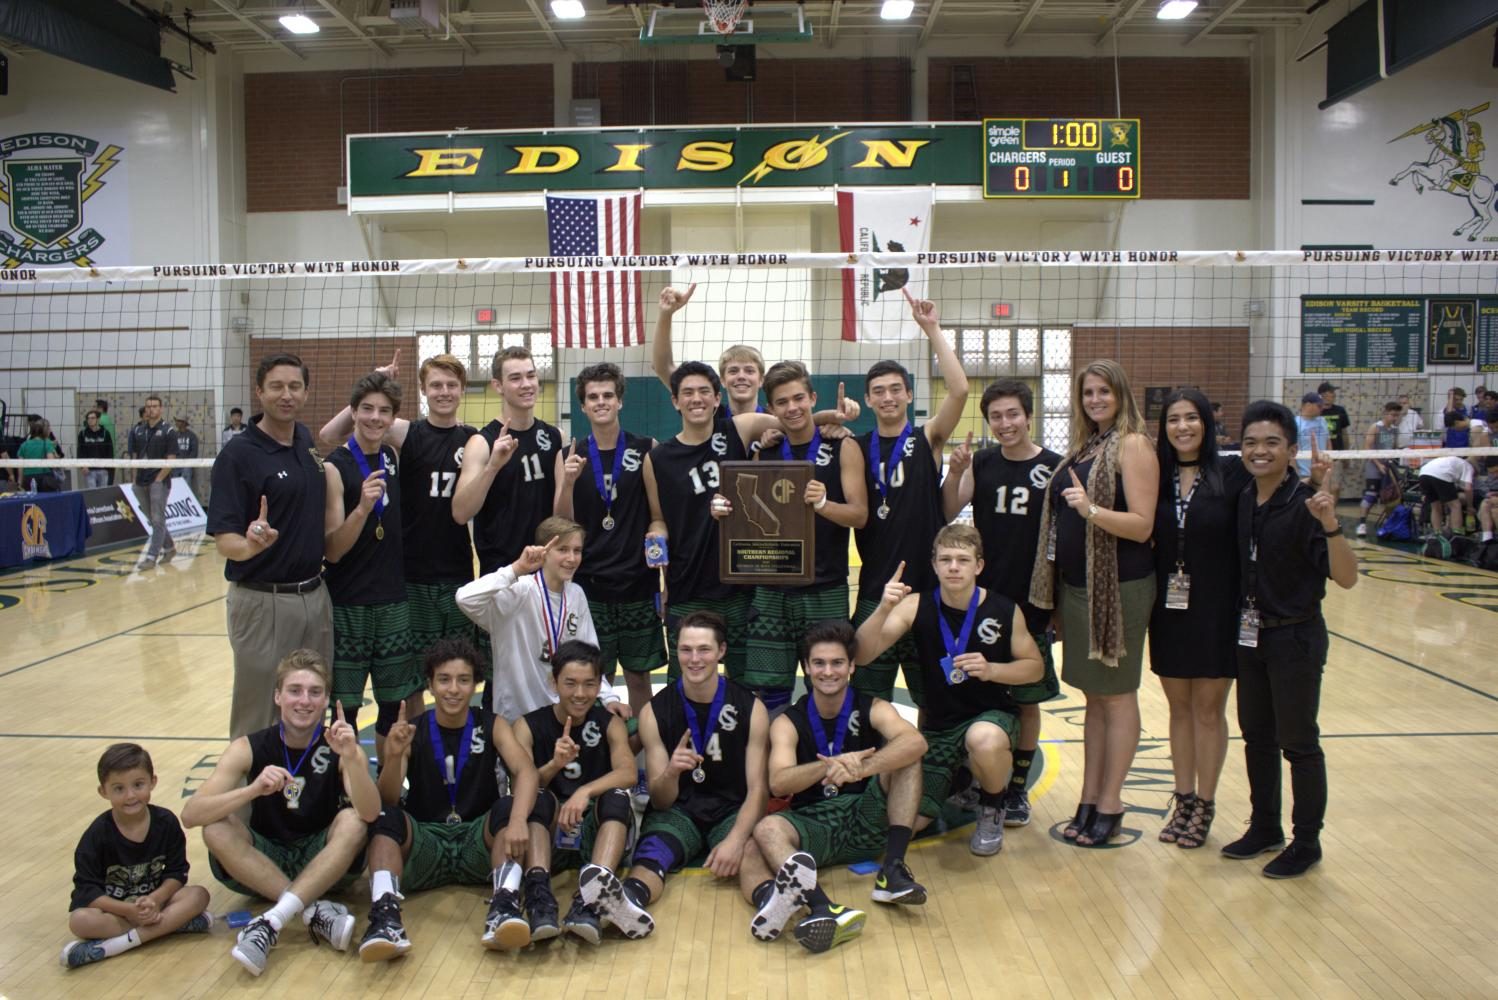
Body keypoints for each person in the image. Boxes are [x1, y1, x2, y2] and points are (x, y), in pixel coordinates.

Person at [181, 650, 380, 976]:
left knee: (354, 820)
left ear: (326, 700)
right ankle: (311, 910)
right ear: (278, 696)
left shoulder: (341, 745)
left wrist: (354, 759)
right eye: (295, 690)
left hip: (325, 861)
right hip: (265, 861)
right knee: (214, 828)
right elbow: (191, 815)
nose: (305, 700)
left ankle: (272, 920)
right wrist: (252, 790)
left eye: (315, 692)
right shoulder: (249, 747)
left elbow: (371, 813)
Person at [1223, 403, 1357, 878]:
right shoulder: (1242, 497)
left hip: (1295, 637)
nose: (1260, 451)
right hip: (1249, 636)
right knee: (1256, 737)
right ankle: (1265, 826)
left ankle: (1307, 841)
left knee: (1298, 741)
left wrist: (1330, 519)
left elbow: (1347, 578)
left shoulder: (1307, 503)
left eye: (1271, 443)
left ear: (1291, 450)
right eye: (1252, 443)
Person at [1029, 359, 1159, 848]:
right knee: (1095, 699)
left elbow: (1143, 525)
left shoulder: (1133, 445)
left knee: (1118, 695)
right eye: (1088, 393)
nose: (1096, 399)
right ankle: (1089, 797)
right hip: (1079, 590)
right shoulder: (1087, 447)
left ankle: (1112, 803)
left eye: (1104, 391)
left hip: (1120, 588)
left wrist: (1092, 510)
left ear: (1121, 394)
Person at [739, 619, 928, 954]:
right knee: (763, 833)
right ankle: (821, 908)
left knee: (907, 757)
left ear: (852, 666)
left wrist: (862, 768)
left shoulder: (874, 707)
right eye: (820, 663)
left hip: (866, 816)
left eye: (837, 662)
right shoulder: (787, 721)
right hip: (816, 824)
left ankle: (893, 870)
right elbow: (779, 781)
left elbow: (915, 742)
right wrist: (830, 765)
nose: (829, 671)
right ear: (806, 668)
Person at [858, 525, 1044, 856]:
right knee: (906, 822)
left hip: (992, 718)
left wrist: (993, 670)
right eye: (945, 559)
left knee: (982, 739)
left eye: (962, 559)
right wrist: (884, 608)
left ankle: (992, 807)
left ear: (979, 566)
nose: (954, 567)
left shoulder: (1003, 609)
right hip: (939, 728)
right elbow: (862, 654)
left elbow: (1035, 668)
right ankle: (958, 780)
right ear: (934, 565)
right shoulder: (915, 605)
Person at [357, 638, 543, 959]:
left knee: (509, 807)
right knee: (385, 818)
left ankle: (503, 906)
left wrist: (516, 822)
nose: (453, 689)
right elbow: (387, 797)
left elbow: (526, 773)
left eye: (463, 680)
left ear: (476, 685)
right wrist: (394, 756)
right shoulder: (412, 730)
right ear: (430, 685)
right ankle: (386, 918)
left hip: (476, 842)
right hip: (426, 842)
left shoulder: (492, 723)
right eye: (444, 680)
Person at [320, 353, 482, 692]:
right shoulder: (406, 432)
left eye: (452, 385)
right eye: (435, 385)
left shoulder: (472, 439)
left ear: (462, 390)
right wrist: (374, 379)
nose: (444, 392)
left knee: (458, 670)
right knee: (412, 682)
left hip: (457, 571)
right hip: (411, 575)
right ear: (423, 389)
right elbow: (330, 434)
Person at [941, 378, 1062, 827]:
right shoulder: (984, 461)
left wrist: (1059, 608)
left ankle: (1016, 789)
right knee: (978, 688)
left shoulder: (1054, 467)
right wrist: (955, 471)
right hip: (982, 601)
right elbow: (949, 510)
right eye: (996, 416)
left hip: (1031, 601)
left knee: (1026, 699)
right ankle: (980, 777)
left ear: (1029, 416)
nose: (1005, 423)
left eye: (1013, 414)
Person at [641, 358, 805, 682]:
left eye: (705, 391)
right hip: (686, 587)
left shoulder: (739, 429)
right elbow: (658, 519)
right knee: (684, 682)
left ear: (718, 399)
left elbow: (796, 423)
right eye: (687, 393)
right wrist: (654, 537)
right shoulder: (657, 458)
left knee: (746, 683)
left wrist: (832, 421)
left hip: (740, 587)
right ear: (675, 401)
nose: (696, 398)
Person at [208, 353, 334, 740]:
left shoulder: (305, 440)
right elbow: (224, 540)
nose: (286, 395)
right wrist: (249, 545)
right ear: (259, 392)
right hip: (264, 602)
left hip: (314, 595)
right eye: (277, 386)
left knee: (312, 706)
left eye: (295, 386)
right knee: (259, 716)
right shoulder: (238, 455)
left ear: (306, 392)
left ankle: (308, 796)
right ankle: (249, 800)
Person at [851, 290, 968, 704]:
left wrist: (932, 330)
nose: (887, 397)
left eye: (895, 389)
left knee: (934, 693)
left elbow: (959, 391)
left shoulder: (928, 438)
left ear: (909, 395)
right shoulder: (856, 446)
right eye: (878, 391)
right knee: (866, 691)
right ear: (868, 400)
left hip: (928, 589)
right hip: (875, 588)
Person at [618, 611, 769, 930]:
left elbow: (758, 789)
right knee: (651, 854)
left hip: (731, 808)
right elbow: (660, 801)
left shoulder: (750, 708)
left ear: (721, 651)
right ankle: (627, 903)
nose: (694, 659)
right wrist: (671, 771)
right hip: (679, 810)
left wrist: (736, 840)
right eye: (686, 650)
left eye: (704, 649)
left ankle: (772, 904)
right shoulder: (655, 712)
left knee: (751, 852)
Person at [1148, 390, 1250, 850]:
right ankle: (1184, 797)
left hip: (1216, 606)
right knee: (1179, 708)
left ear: (1207, 423)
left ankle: (1205, 803)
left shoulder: (1232, 473)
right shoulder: (1157, 474)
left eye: (1192, 418)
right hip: (1169, 608)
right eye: (1174, 419)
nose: (1183, 427)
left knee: (1209, 709)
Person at [741, 362, 869, 713]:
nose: (792, 407)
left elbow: (859, 515)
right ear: (770, 409)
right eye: (782, 402)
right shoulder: (762, 451)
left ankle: (828, 760)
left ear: (813, 398)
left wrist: (824, 504)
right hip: (770, 588)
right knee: (767, 693)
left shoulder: (843, 446)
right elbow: (748, 520)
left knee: (829, 685)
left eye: (799, 398)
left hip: (823, 587)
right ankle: (775, 764)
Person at [513, 639, 650, 944]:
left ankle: (590, 899)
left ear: (600, 684)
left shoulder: (609, 723)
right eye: (570, 683)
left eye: (589, 684)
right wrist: (553, 764)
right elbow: (517, 786)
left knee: (616, 797)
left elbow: (628, 773)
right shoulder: (528, 725)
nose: (580, 694)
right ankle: (539, 899)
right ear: (554, 682)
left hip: (593, 833)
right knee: (536, 796)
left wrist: (584, 792)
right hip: (547, 837)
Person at [554, 362, 664, 713]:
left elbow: (658, 514)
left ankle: (642, 751)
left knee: (638, 677)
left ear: (619, 401)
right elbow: (562, 522)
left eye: (607, 395)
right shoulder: (569, 455)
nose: (600, 402)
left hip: (636, 583)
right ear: (583, 406)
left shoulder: (647, 447)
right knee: (591, 679)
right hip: (589, 587)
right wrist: (568, 482)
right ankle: (599, 751)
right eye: (592, 397)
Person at [322, 372, 417, 749]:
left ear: (393, 418)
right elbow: (332, 550)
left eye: (383, 411)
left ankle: (387, 790)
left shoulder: (392, 456)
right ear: (353, 412)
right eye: (366, 409)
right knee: (344, 710)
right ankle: (343, 789)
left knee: (393, 708)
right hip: (348, 602)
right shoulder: (334, 467)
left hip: (392, 601)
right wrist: (361, 508)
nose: (375, 418)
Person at [456, 516, 625, 722]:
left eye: (577, 550)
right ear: (542, 551)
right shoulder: (519, 591)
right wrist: (516, 569)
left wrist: (608, 697)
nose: (572, 558)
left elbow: (589, 653)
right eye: (562, 549)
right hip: (518, 717)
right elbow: (464, 598)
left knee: (623, 731)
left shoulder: (576, 594)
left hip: (564, 714)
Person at [61, 743, 213, 969]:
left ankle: (113, 946)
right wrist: (128, 911)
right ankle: (172, 925)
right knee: (80, 920)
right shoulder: (96, 836)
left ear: (153, 781)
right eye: (119, 788)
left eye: (138, 785)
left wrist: (155, 900)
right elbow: (86, 891)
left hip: (155, 905)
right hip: (117, 912)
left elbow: (176, 873)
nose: (130, 795)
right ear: (103, 791)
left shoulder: (166, 823)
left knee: (199, 895)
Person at [453, 346, 560, 576]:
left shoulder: (555, 437)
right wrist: (492, 467)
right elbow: (461, 513)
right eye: (515, 378)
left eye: (531, 375)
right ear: (498, 386)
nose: (526, 384)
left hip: (548, 571)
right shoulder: (482, 442)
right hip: (503, 573)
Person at [651, 282, 766, 419]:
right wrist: (666, 314)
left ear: (761, 380)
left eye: (749, 370)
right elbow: (663, 367)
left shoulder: (776, 421)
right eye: (733, 371)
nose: (741, 376)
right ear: (722, 380)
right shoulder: (707, 413)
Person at [127, 395, 179, 569]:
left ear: (161, 408)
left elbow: (171, 459)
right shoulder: (137, 430)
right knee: (153, 519)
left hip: (159, 481)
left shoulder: (168, 431)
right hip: (140, 481)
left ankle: (151, 557)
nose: (151, 409)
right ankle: (170, 547)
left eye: (154, 406)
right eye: (148, 406)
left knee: (157, 520)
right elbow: (134, 456)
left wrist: (158, 479)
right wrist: (134, 478)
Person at [1358, 401, 1404, 537]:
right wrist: (1378, 465)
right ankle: (1362, 524)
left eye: (1397, 415)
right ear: (1385, 413)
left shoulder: (1395, 429)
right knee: (1370, 495)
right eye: (1393, 415)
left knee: (1390, 496)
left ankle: (1388, 525)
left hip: (1388, 466)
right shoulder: (1376, 427)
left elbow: (1394, 448)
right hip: (1374, 465)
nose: (1395, 418)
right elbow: (1368, 448)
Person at [1416, 454, 1474, 538]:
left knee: (1435, 507)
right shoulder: (1469, 467)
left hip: (1423, 473)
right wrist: (1470, 506)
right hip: (1441, 474)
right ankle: (1456, 535)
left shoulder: (1453, 461)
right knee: (1456, 506)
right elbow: (1468, 488)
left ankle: (1437, 534)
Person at [18, 416, 61, 493]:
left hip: (28, 479)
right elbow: (52, 464)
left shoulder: (24, 445)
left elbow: (20, 466)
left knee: (32, 503)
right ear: (45, 430)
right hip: (44, 478)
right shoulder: (47, 443)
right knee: (48, 503)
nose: (50, 430)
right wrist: (55, 455)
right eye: (49, 428)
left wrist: (20, 482)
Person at [1293, 393, 1329, 480]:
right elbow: (1291, 450)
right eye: (1319, 406)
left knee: (1334, 488)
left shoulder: (1322, 420)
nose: (1322, 408)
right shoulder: (1295, 423)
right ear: (1308, 405)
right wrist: (1295, 475)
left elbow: (1328, 443)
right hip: (1304, 473)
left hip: (1323, 470)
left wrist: (1329, 467)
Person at [77, 410, 113, 490]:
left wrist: (108, 468)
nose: (90, 420)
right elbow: (80, 451)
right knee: (92, 494)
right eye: (88, 418)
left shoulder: (105, 433)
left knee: (102, 494)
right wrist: (83, 466)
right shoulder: (82, 434)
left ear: (98, 419)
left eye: (92, 418)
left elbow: (110, 451)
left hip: (103, 469)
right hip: (89, 470)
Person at [171, 416, 201, 497]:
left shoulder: (192, 436)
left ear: (184, 423)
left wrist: (187, 462)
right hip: (175, 464)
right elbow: (171, 450)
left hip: (186, 465)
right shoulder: (174, 435)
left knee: (186, 485)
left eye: (179, 421)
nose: (177, 422)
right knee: (174, 486)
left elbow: (194, 452)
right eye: (176, 421)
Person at [1317, 382, 1350, 451]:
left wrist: (1346, 453)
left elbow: (1344, 434)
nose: (1335, 395)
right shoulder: (1315, 411)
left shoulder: (1340, 410)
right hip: (1320, 452)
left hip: (1338, 453)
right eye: (1331, 392)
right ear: (1323, 395)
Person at [1475, 458, 1498, 542]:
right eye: (1491, 472)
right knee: (1485, 503)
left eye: (1496, 471)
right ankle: (1487, 538)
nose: (1495, 475)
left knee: (1496, 512)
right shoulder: (1493, 478)